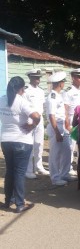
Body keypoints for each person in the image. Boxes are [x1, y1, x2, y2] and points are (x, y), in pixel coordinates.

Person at [0, 76, 40, 212]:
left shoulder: (2, 99)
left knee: (10, 171)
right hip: (21, 140)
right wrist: (32, 126)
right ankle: (20, 204)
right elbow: (37, 116)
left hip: (6, 140)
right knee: (19, 173)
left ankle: (8, 200)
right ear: (21, 88)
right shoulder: (22, 101)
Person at [46, 71, 72, 186]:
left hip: (62, 126)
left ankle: (64, 174)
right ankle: (55, 177)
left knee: (67, 150)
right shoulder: (52, 96)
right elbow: (52, 115)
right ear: (60, 83)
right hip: (55, 126)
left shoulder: (59, 95)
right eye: (63, 82)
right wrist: (57, 132)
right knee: (55, 154)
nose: (63, 84)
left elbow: (63, 112)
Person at [23, 69, 49, 178]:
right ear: (30, 77)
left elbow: (43, 105)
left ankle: (39, 166)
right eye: (35, 77)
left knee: (39, 143)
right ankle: (28, 169)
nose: (38, 80)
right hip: (29, 119)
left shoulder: (41, 91)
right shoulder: (25, 90)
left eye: (39, 78)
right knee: (29, 144)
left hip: (39, 119)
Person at [62, 68, 80, 176]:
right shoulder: (68, 91)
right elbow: (65, 108)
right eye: (79, 77)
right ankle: (68, 168)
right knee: (71, 146)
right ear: (73, 78)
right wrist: (67, 123)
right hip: (72, 119)